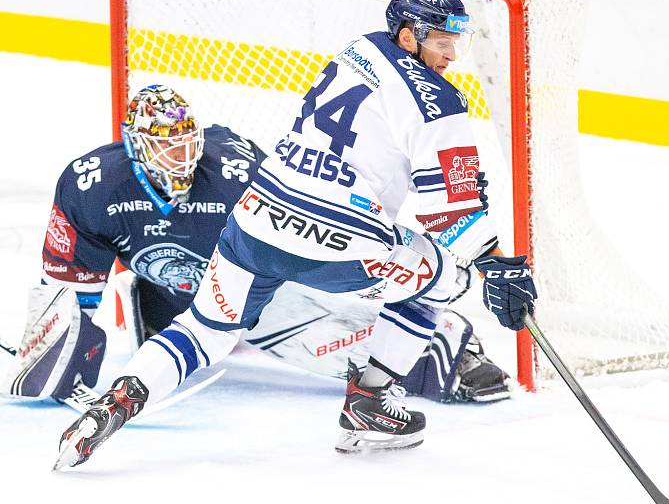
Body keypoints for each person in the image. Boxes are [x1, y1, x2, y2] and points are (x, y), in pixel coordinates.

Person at [54, 0, 536, 468]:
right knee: (443, 281)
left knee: (203, 330)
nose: (451, 54)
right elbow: (449, 215)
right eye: (440, 42)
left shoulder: (362, 48)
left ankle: (118, 399)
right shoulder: (440, 102)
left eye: (457, 42)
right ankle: (369, 401)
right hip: (343, 241)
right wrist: (497, 266)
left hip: (255, 218)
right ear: (408, 36)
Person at [0, 85, 508, 404]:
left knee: (328, 326)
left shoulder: (232, 173)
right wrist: (68, 337)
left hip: (254, 275)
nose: (180, 154)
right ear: (135, 144)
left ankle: (445, 345)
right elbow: (71, 282)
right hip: (171, 295)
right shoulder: (92, 184)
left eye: (185, 140)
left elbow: (299, 225)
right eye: (165, 144)